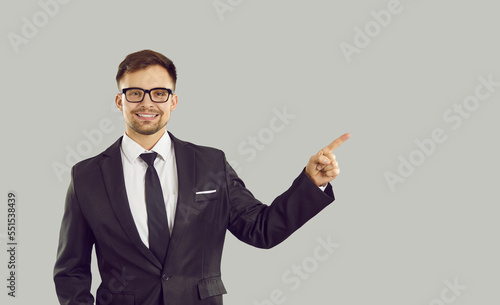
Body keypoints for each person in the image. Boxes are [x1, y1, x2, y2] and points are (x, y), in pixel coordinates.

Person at [53, 49, 350, 305]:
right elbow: (71, 271)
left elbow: (262, 229)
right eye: (135, 93)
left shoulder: (210, 163)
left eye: (159, 93)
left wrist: (311, 183)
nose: (147, 103)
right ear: (120, 101)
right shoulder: (87, 176)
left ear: (173, 101)